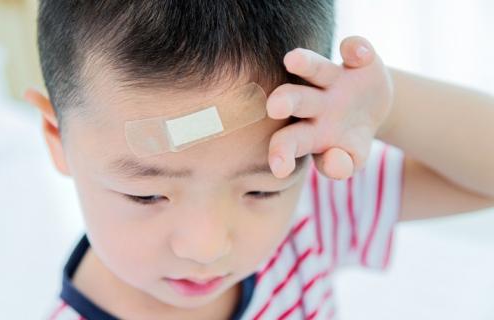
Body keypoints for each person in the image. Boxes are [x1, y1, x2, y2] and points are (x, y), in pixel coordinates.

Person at [25, 1, 494, 319]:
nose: (206, 248)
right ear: (56, 136)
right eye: (146, 195)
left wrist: (388, 109)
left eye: (260, 190)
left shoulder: (313, 203)